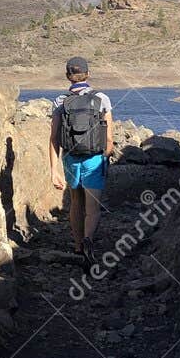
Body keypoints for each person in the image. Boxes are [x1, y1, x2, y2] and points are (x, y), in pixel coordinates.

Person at [49, 56, 112, 267]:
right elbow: (109, 137)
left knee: (76, 202)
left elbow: (54, 138)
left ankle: (77, 246)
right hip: (94, 158)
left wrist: (53, 169)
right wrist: (105, 156)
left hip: (70, 158)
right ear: (88, 74)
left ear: (68, 76)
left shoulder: (60, 102)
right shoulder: (101, 98)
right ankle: (88, 242)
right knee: (93, 208)